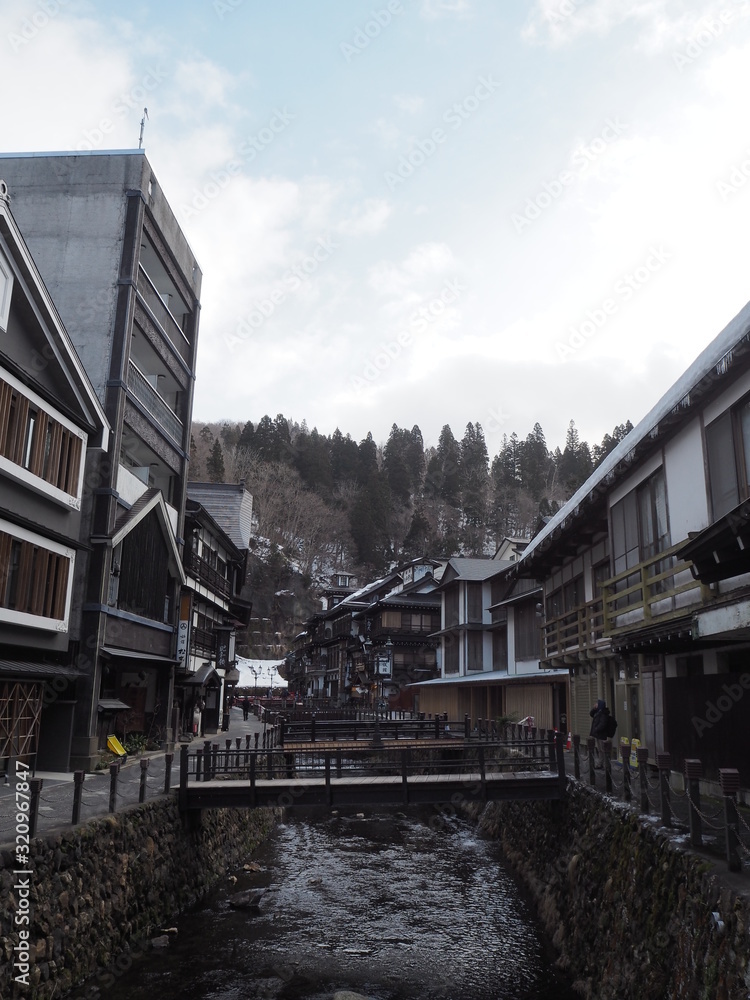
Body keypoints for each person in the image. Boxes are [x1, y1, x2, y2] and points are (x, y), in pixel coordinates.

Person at [589, 699, 612, 767]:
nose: (595, 704)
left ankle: (604, 763)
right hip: (598, 734)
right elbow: (591, 714)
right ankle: (600, 763)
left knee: (602, 749)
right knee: (599, 749)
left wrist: (596, 729)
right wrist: (594, 709)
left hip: (601, 734)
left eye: (597, 704)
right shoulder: (597, 712)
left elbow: (602, 724)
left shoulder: (603, 713)